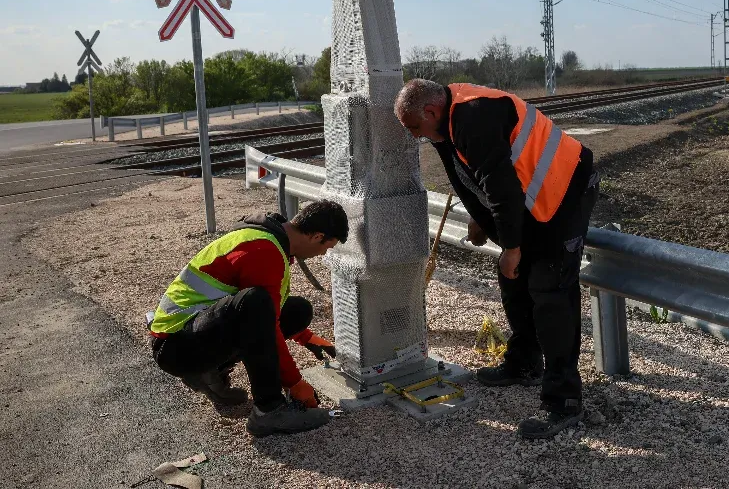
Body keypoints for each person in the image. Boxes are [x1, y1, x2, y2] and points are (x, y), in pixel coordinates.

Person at [395, 78, 599, 439]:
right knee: (514, 280)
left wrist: (512, 247)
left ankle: (564, 400)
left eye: (414, 127)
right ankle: (524, 363)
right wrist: (480, 216)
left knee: (551, 292)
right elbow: (474, 176)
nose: (414, 136)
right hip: (533, 197)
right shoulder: (446, 122)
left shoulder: (474, 115)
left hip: (566, 190)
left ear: (430, 111)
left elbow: (501, 183)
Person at [146, 200, 348, 437]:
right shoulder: (264, 251)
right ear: (317, 236)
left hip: (193, 332)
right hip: (175, 347)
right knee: (255, 301)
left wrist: (306, 337)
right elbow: (262, 318)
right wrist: (295, 382)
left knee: (298, 310)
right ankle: (269, 411)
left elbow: (272, 312)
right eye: (327, 247)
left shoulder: (269, 236)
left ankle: (208, 371)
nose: (323, 254)